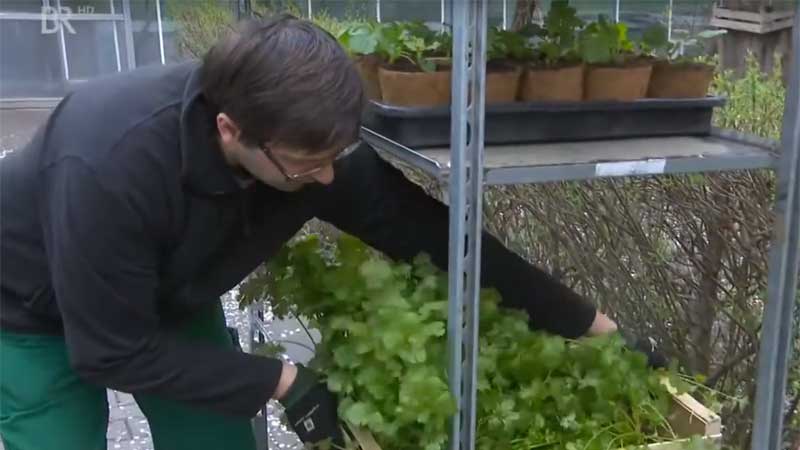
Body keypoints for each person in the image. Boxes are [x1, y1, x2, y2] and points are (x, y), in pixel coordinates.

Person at [0, 14, 664, 450]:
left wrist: (594, 328)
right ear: (230, 129)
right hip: (34, 307)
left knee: (216, 441)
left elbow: (439, 240)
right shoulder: (110, 163)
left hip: (170, 290)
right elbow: (108, 352)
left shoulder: (309, 142)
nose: (326, 182)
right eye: (306, 165)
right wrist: (283, 381)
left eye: (334, 159)